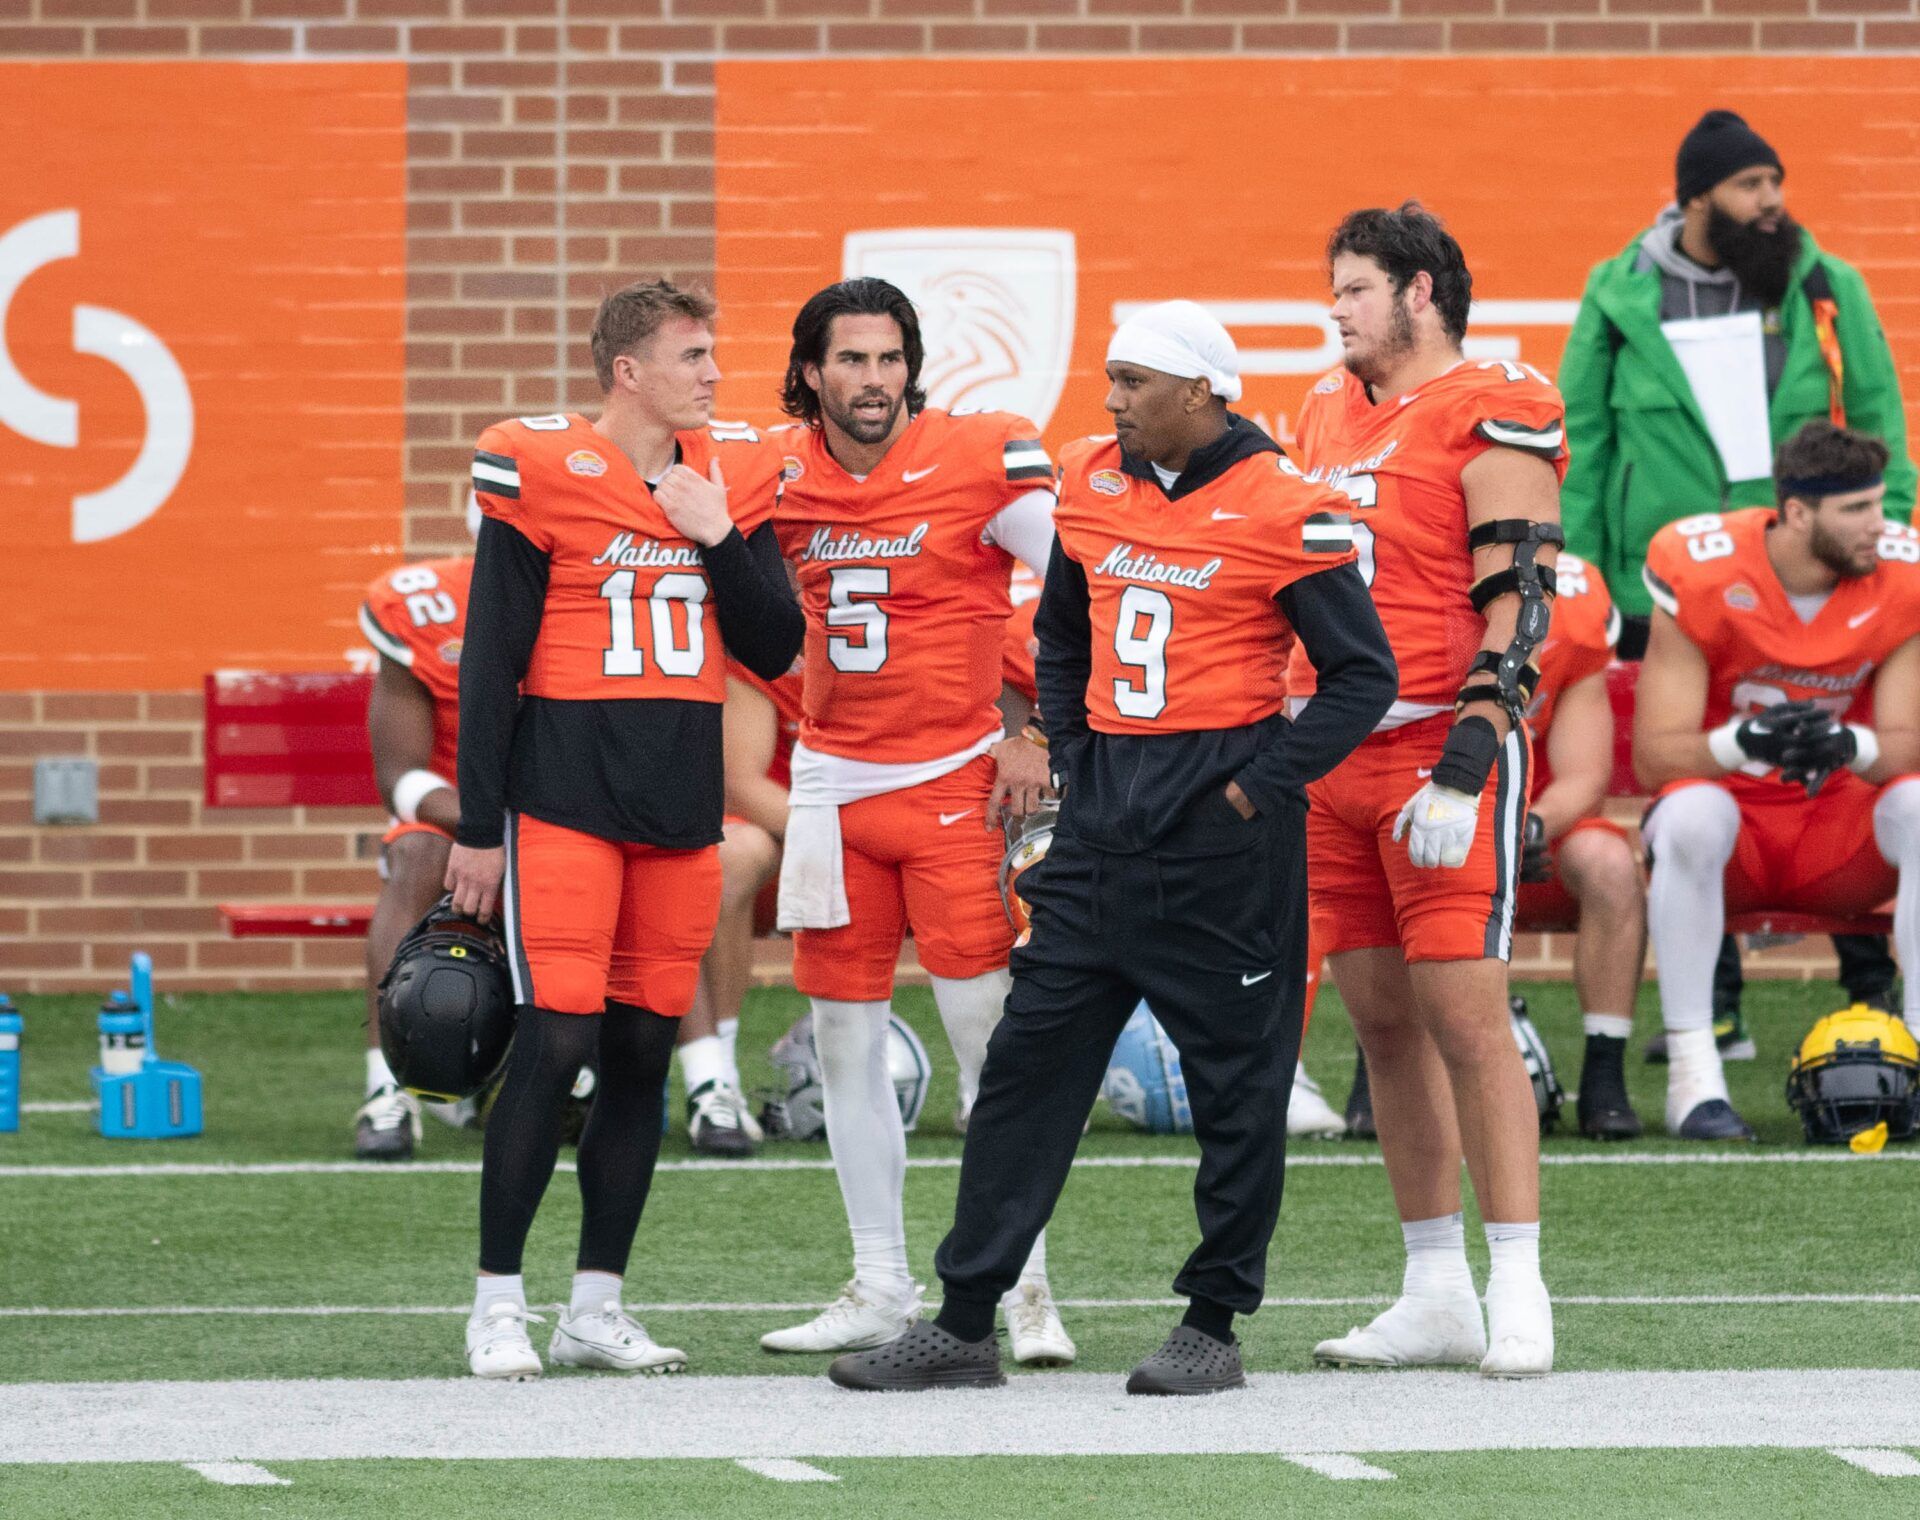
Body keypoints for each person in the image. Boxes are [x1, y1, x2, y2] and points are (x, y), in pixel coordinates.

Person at [827, 301, 1396, 1396]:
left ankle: (1214, 1320)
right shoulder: (1090, 477)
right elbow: (1062, 632)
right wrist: (1074, 753)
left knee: (1238, 1085)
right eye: (1112, 378)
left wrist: (1250, 788)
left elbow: (1360, 677)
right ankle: (961, 1319)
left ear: (1200, 392)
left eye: (1133, 380)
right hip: (1101, 826)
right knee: (1025, 1068)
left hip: (1220, 834)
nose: (1113, 399)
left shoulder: (1285, 504)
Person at [445, 279, 803, 1380]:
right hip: (564, 796)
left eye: (713, 353)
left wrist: (721, 535)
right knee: (556, 1041)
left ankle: (595, 1303)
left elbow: (777, 643)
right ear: (627, 371)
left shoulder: (722, 480)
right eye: (692, 356)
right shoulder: (541, 463)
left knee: (645, 1050)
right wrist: (479, 822)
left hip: (677, 802)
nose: (713, 373)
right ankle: (497, 1300)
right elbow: (489, 654)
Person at [762, 277, 1074, 1367]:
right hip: (830, 790)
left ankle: (1024, 1286)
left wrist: (1039, 730)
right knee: (844, 1039)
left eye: (890, 358)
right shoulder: (772, 470)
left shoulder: (979, 451)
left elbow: (1076, 582)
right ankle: (880, 1280)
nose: (874, 380)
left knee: (988, 1036)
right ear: (811, 369)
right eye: (851, 359)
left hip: (953, 781)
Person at [1559, 108, 1911, 1040]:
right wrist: (1587, 576)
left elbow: (1879, 420)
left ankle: (1872, 984)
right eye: (1752, 186)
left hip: (1818, 577)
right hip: (1660, 585)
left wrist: (1890, 544)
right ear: (1697, 197)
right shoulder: (1617, 292)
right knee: (1698, 785)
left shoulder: (1823, 284)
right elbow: (1587, 444)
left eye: (1775, 183)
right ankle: (1712, 1008)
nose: (1772, 203)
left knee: (1839, 751)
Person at [1296, 205, 1565, 1379]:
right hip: (1333, 752)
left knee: (1466, 1015)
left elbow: (1522, 606)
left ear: (1417, 291)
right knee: (1382, 1024)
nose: (1336, 307)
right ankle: (1434, 1284)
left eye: (1353, 286)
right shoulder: (1319, 406)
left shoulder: (1492, 401)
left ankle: (1519, 1279)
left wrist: (1467, 762)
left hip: (1436, 751)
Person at [1633, 420, 1920, 1140]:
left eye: (1879, 504)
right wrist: (1741, 741)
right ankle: (1694, 1081)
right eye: (1855, 509)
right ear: (1796, 512)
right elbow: (1655, 757)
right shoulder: (1702, 567)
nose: (1876, 526)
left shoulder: (1899, 577)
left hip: (1836, 836)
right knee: (1691, 814)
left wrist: (1848, 742)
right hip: (1737, 839)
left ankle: (1915, 1056)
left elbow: (1906, 746)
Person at [1513, 551, 1644, 1139]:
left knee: (1610, 862)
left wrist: (1530, 825)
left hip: (1532, 828)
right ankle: (1376, 1066)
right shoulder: (1406, 587)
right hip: (1421, 809)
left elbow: (1585, 775)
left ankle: (1604, 1074)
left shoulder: (1570, 597)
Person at [354, 551, 474, 1160]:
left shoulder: (599, 601)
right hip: (455, 814)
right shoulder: (427, 608)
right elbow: (398, 775)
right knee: (421, 853)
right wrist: (485, 826)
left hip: (563, 809)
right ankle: (386, 1089)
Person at [673, 655, 801, 1157]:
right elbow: (742, 786)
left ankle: (983, 1078)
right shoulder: (761, 648)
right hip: (792, 838)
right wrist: (848, 839)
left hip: (899, 826)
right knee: (732, 856)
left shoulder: (917, 626)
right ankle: (716, 1074)